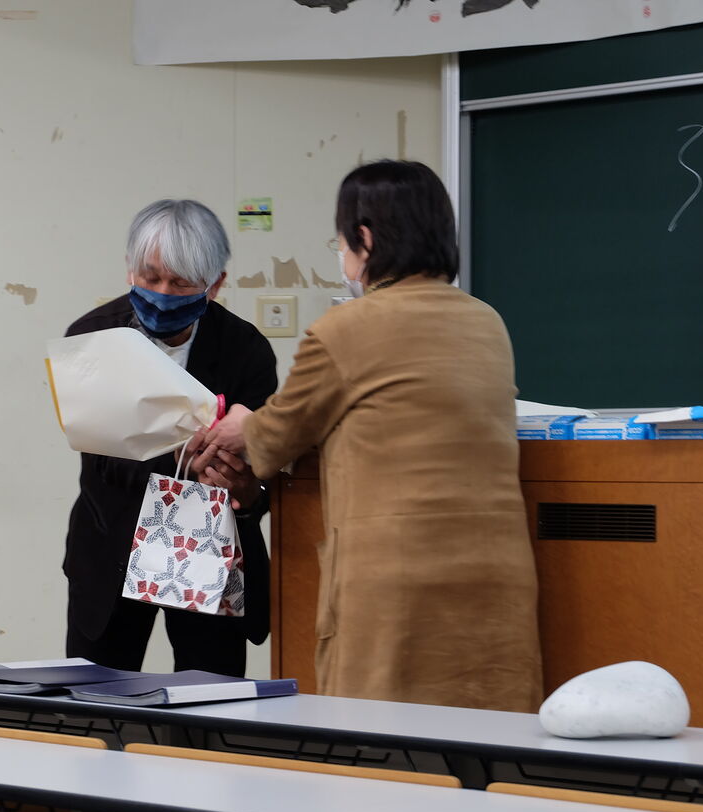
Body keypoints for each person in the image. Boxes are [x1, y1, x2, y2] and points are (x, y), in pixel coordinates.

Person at [191, 161, 543, 711]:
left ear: (366, 238)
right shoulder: (486, 322)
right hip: (495, 573)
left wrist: (241, 426)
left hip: (396, 580)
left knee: (380, 736)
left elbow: (276, 436)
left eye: (341, 238)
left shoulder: (345, 329)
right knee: (485, 729)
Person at [61, 199, 278, 677]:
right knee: (96, 697)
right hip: (113, 543)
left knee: (211, 698)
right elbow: (102, 456)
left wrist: (242, 484)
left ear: (215, 284)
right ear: (129, 268)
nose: (162, 293)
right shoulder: (93, 340)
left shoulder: (246, 350)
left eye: (181, 283)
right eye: (150, 276)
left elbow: (260, 469)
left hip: (211, 551)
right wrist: (186, 459)